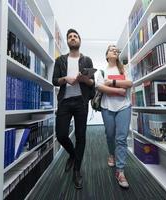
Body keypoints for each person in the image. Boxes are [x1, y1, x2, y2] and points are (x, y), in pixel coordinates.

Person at [52, 28, 95, 189]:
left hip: (81, 102)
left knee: (80, 136)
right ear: (68, 41)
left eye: (75, 36)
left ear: (79, 40)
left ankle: (77, 170)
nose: (72, 38)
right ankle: (72, 154)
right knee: (61, 134)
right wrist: (65, 79)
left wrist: (84, 79)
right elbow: (54, 80)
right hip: (64, 101)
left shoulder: (87, 60)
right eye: (69, 36)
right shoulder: (60, 60)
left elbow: (93, 83)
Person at [96, 45, 133, 188]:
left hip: (124, 107)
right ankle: (111, 153)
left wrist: (111, 82)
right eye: (111, 49)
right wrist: (119, 90)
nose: (115, 51)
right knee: (110, 135)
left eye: (116, 50)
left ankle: (120, 171)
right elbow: (99, 87)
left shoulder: (124, 69)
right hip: (107, 107)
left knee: (121, 138)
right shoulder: (102, 71)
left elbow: (129, 83)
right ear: (107, 55)